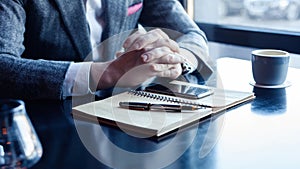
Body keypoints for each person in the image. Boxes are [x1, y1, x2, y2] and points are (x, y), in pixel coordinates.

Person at [0, 0, 213, 100]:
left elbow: (193, 35)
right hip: (40, 127)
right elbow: (3, 66)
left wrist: (176, 60)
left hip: (118, 120)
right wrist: (108, 73)